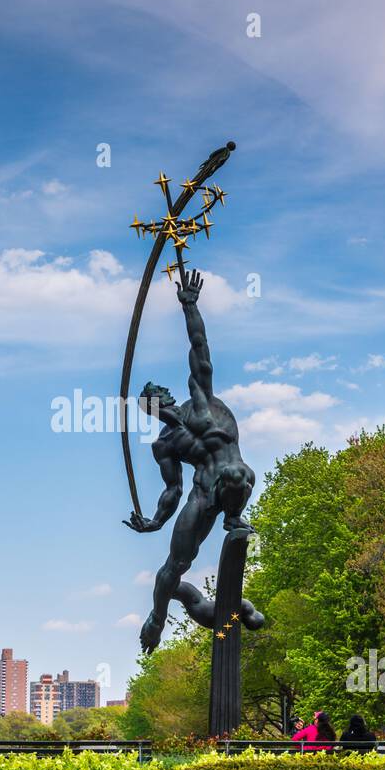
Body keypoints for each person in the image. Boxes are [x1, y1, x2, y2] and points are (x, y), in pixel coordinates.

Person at [124, 269, 262, 654]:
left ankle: (234, 518)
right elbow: (173, 490)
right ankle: (156, 618)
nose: (156, 408)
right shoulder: (165, 445)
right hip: (202, 493)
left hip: (232, 480)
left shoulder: (200, 401)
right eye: (148, 406)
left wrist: (190, 306)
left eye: (157, 399)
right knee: (173, 565)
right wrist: (154, 521)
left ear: (167, 397)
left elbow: (199, 347)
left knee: (236, 474)